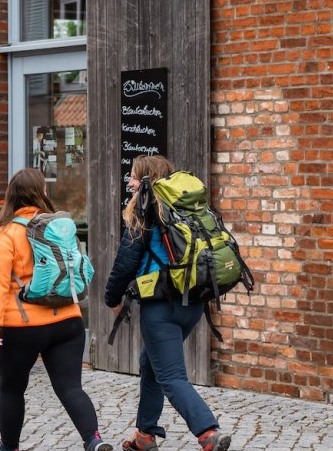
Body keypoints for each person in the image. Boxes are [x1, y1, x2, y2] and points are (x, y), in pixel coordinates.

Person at [102, 155, 232, 451]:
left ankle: (208, 432)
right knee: (150, 363)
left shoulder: (144, 212)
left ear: (147, 180)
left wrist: (112, 299)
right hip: (192, 304)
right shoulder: (188, 209)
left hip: (160, 308)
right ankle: (145, 436)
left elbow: (125, 263)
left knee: (171, 376)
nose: (130, 182)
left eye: (134, 177)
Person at [0, 168, 106, 451]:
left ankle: (10, 447)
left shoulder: (7, 234)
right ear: (41, 194)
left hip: (22, 328)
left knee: (12, 390)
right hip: (68, 322)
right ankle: (94, 440)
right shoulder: (59, 227)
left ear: (11, 197)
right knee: (71, 388)